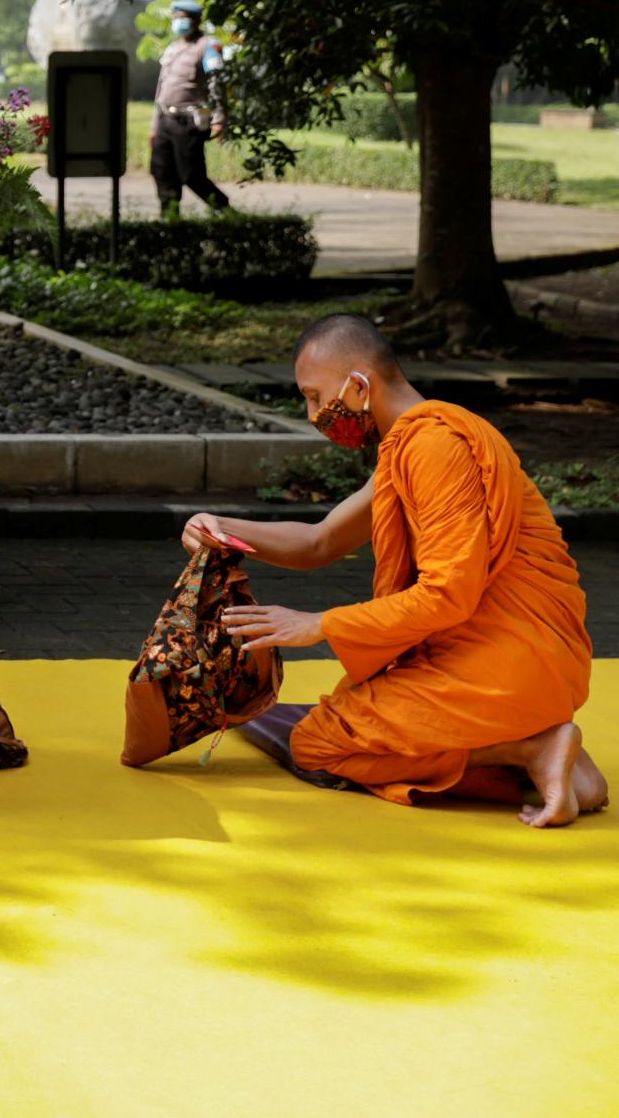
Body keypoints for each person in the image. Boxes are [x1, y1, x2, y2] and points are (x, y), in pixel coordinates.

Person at [190, 313, 601, 826]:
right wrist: (218, 527)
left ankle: (526, 750)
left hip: (508, 664)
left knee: (319, 742)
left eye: (317, 397)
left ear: (359, 386)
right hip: (516, 662)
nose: (314, 413)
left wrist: (317, 625)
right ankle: (551, 761)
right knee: (348, 713)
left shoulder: (434, 445)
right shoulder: (409, 446)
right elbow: (321, 541)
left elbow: (449, 595)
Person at [152, 0, 233, 216]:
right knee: (162, 172)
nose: (178, 23)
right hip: (164, 121)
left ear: (196, 20)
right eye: (175, 18)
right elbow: (161, 89)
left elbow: (217, 83)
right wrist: (154, 126)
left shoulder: (208, 46)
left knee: (192, 175)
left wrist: (219, 120)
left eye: (183, 19)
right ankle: (169, 221)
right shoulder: (173, 48)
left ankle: (228, 213)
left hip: (187, 122)